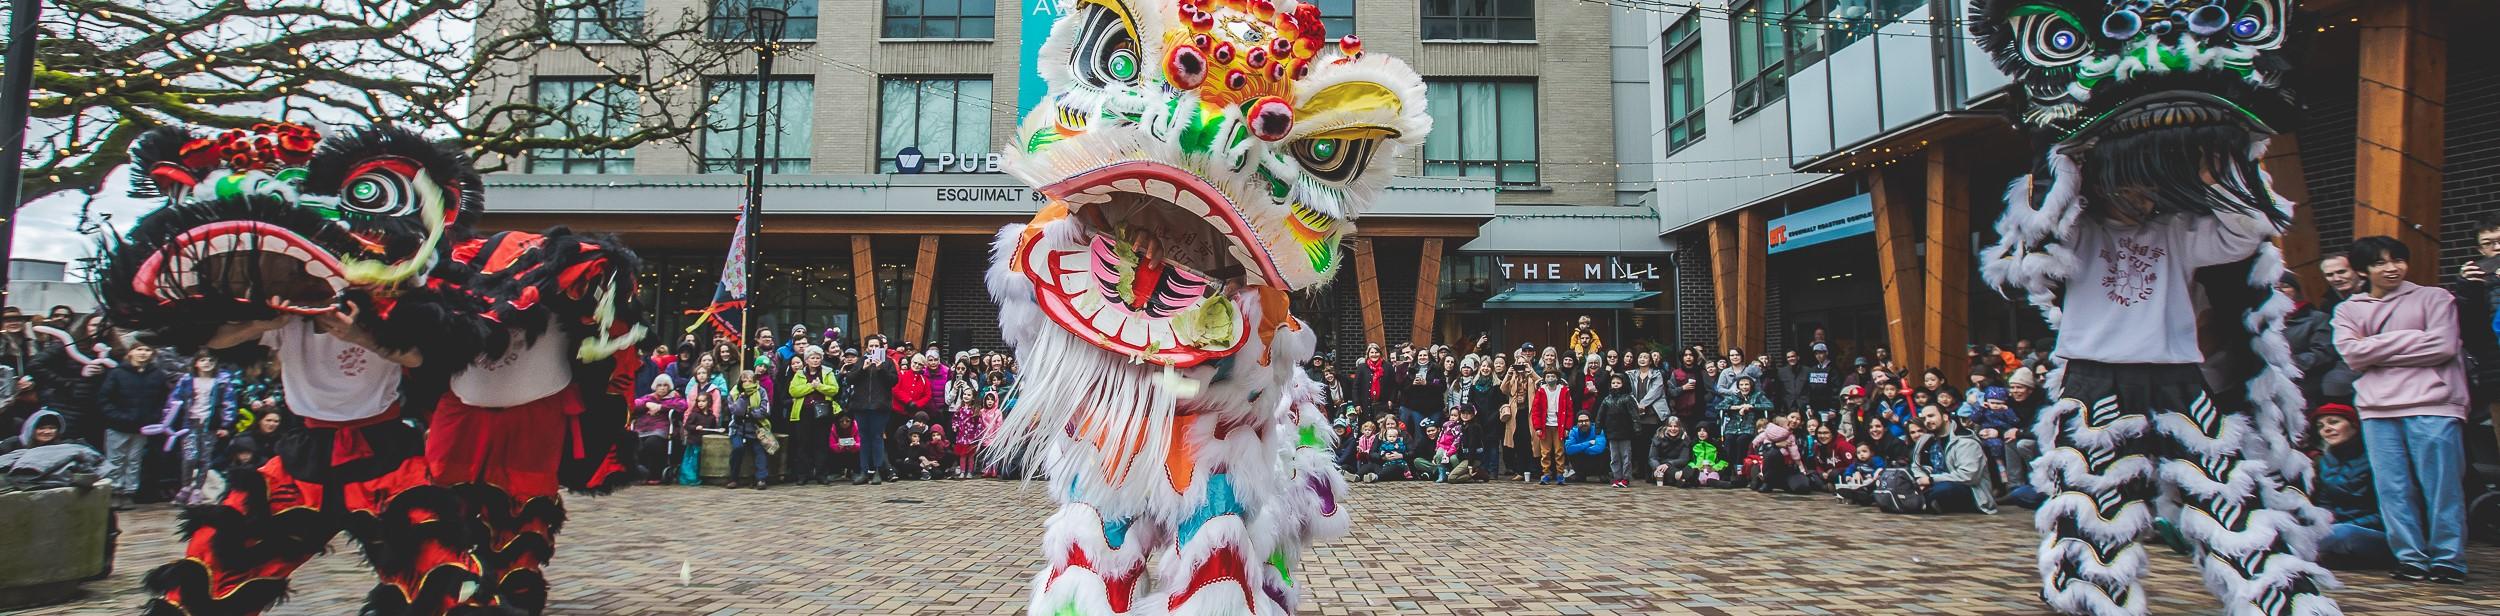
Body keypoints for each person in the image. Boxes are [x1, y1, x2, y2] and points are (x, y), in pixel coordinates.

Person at [2329, 237, 2470, 584]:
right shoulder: (2349, 309)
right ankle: (2410, 558)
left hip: (2434, 402)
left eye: (2398, 260)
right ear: (2363, 270)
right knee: (2392, 488)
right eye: (2379, 262)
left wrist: (2374, 346)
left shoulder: (2434, 297)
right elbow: (2352, 354)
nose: (2391, 268)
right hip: (2377, 407)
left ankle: (2448, 559)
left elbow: (2442, 345)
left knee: (2442, 486)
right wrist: (2411, 339)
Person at [2306, 404, 2391, 569]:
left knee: (2340, 533)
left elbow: (2387, 513)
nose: (2327, 429)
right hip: (2337, 529)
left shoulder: (2375, 457)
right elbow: (2325, 503)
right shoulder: (2325, 461)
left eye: (2334, 422)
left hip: (2373, 532)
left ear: (2354, 425)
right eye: (2321, 426)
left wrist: (2346, 523)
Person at [162, 353, 240, 505]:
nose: (207, 363)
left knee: (205, 459)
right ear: (196, 363)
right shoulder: (187, 380)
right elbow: (174, 400)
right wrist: (167, 420)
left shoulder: (222, 381)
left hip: (209, 424)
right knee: (189, 457)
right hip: (190, 423)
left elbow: (229, 403)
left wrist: (225, 424)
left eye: (210, 360)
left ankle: (198, 490)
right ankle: (185, 488)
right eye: (202, 360)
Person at [98, 343, 170, 508]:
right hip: (118, 426)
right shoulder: (117, 373)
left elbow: (163, 399)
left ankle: (129, 492)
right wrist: (117, 417)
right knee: (115, 460)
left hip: (142, 427)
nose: (143, 353)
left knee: (134, 460)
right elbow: (104, 399)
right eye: (139, 349)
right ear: (130, 353)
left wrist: (154, 417)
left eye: (147, 349)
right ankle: (115, 492)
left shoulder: (157, 375)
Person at [1907, 405, 1994, 514]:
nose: (1927, 421)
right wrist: (1921, 477)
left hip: (1970, 492)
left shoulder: (1966, 442)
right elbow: (1916, 465)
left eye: (1931, 416)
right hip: (1932, 484)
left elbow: (1969, 476)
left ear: (1945, 417)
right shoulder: (1925, 439)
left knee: (1944, 489)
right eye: (1924, 418)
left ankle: (1919, 501)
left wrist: (1930, 480)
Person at [847, 335, 901, 484]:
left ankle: (878, 470)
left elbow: (893, 381)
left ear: (881, 347)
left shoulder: (888, 362)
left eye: (876, 346)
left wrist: (881, 368)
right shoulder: (860, 361)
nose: (873, 349)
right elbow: (850, 379)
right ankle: (864, 471)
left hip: (880, 406)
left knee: (877, 438)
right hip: (861, 406)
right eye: (870, 346)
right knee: (864, 439)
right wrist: (862, 369)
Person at [783, 347, 841, 484]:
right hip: (804, 412)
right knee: (803, 444)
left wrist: (820, 386)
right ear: (806, 360)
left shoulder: (828, 372)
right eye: (812, 358)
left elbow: (834, 389)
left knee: (821, 443)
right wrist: (811, 386)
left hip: (822, 412)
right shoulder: (799, 374)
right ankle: (803, 475)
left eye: (817, 358)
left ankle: (821, 474)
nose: (815, 360)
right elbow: (793, 391)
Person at [630, 375, 688, 484]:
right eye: (659, 385)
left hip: (661, 429)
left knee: (652, 443)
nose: (662, 388)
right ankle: (640, 473)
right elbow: (634, 404)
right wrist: (647, 404)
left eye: (665, 385)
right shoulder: (648, 397)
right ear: (655, 387)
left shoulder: (675, 398)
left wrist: (660, 407)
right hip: (642, 428)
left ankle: (654, 474)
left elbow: (682, 406)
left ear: (669, 387)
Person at [723, 370, 771, 489]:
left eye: (750, 381)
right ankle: (733, 478)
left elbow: (764, 411)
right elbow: (736, 411)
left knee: (760, 450)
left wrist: (750, 413)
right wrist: (743, 398)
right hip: (738, 427)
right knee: (738, 448)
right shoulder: (735, 392)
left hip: (756, 427)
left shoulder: (761, 391)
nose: (748, 383)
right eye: (745, 381)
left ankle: (761, 479)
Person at [1527, 370, 1572, 485]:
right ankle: (1546, 473)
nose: (1550, 378)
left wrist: (1567, 427)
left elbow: (1569, 410)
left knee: (1559, 451)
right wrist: (1537, 427)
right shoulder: (1541, 391)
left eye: (1553, 376)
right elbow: (1536, 410)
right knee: (1545, 451)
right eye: (1548, 376)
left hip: (1559, 425)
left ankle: (1560, 474)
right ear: (1544, 378)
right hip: (1545, 425)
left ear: (1557, 378)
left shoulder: (1564, 391)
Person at [0, 408, 70, 455]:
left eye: (51, 428)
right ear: (31, 429)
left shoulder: (60, 447)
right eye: (41, 428)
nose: (47, 432)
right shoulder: (13, 443)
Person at [1648, 417, 1693, 486]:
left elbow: (1684, 459)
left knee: (1688, 468)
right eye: (1670, 426)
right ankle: (1680, 477)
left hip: (1676, 465)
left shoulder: (1685, 439)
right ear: (1666, 427)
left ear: (1680, 427)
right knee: (1661, 472)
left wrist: (1668, 464)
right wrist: (1658, 467)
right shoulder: (1658, 437)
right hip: (1659, 467)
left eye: (1675, 426)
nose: (1673, 429)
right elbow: (1652, 458)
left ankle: (1680, 479)